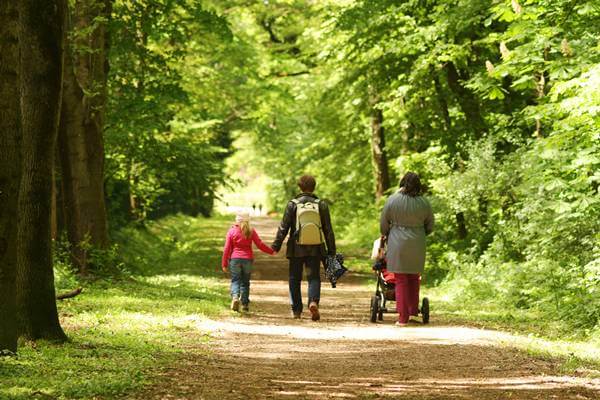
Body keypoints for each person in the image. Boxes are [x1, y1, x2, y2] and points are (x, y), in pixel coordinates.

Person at [272, 175, 336, 321]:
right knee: (313, 277)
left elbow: (284, 227)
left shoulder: (292, 204)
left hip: (296, 247)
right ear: (314, 187)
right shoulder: (321, 204)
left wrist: (276, 245)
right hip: (316, 247)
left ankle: (296, 310)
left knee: (294, 278)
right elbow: (328, 230)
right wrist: (331, 251)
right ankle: (313, 301)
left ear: (300, 187)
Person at [380, 172, 434, 326]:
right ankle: (412, 311)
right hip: (417, 242)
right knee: (414, 277)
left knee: (401, 279)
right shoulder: (424, 202)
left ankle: (403, 318)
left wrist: (387, 233)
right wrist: (421, 233)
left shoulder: (393, 200)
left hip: (398, 242)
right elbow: (430, 225)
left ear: (402, 183)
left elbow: (384, 223)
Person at [221, 213, 275, 312]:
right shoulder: (251, 231)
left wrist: (224, 263)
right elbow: (260, 244)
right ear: (248, 220)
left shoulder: (232, 231)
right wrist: (271, 251)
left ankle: (235, 297)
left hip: (235, 259)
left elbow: (227, 248)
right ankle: (245, 304)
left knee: (236, 280)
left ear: (236, 220)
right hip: (247, 260)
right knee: (245, 283)